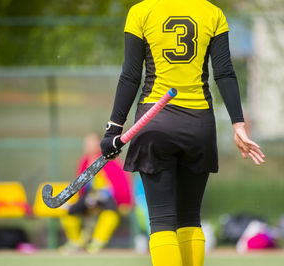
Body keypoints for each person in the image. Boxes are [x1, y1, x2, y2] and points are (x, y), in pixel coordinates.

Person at [100, 1, 266, 265]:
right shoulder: (212, 13)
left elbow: (131, 75)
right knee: (190, 218)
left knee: (162, 220)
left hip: (154, 124)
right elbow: (224, 72)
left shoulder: (141, 11)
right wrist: (239, 125)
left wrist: (114, 129)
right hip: (198, 125)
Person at [60, 133, 132, 254]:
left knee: (111, 210)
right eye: (86, 143)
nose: (87, 146)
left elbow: (121, 186)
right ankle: (75, 242)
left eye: (91, 142)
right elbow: (80, 186)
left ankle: (97, 242)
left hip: (108, 199)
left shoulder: (110, 160)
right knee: (69, 210)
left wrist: (123, 202)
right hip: (88, 198)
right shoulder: (84, 161)